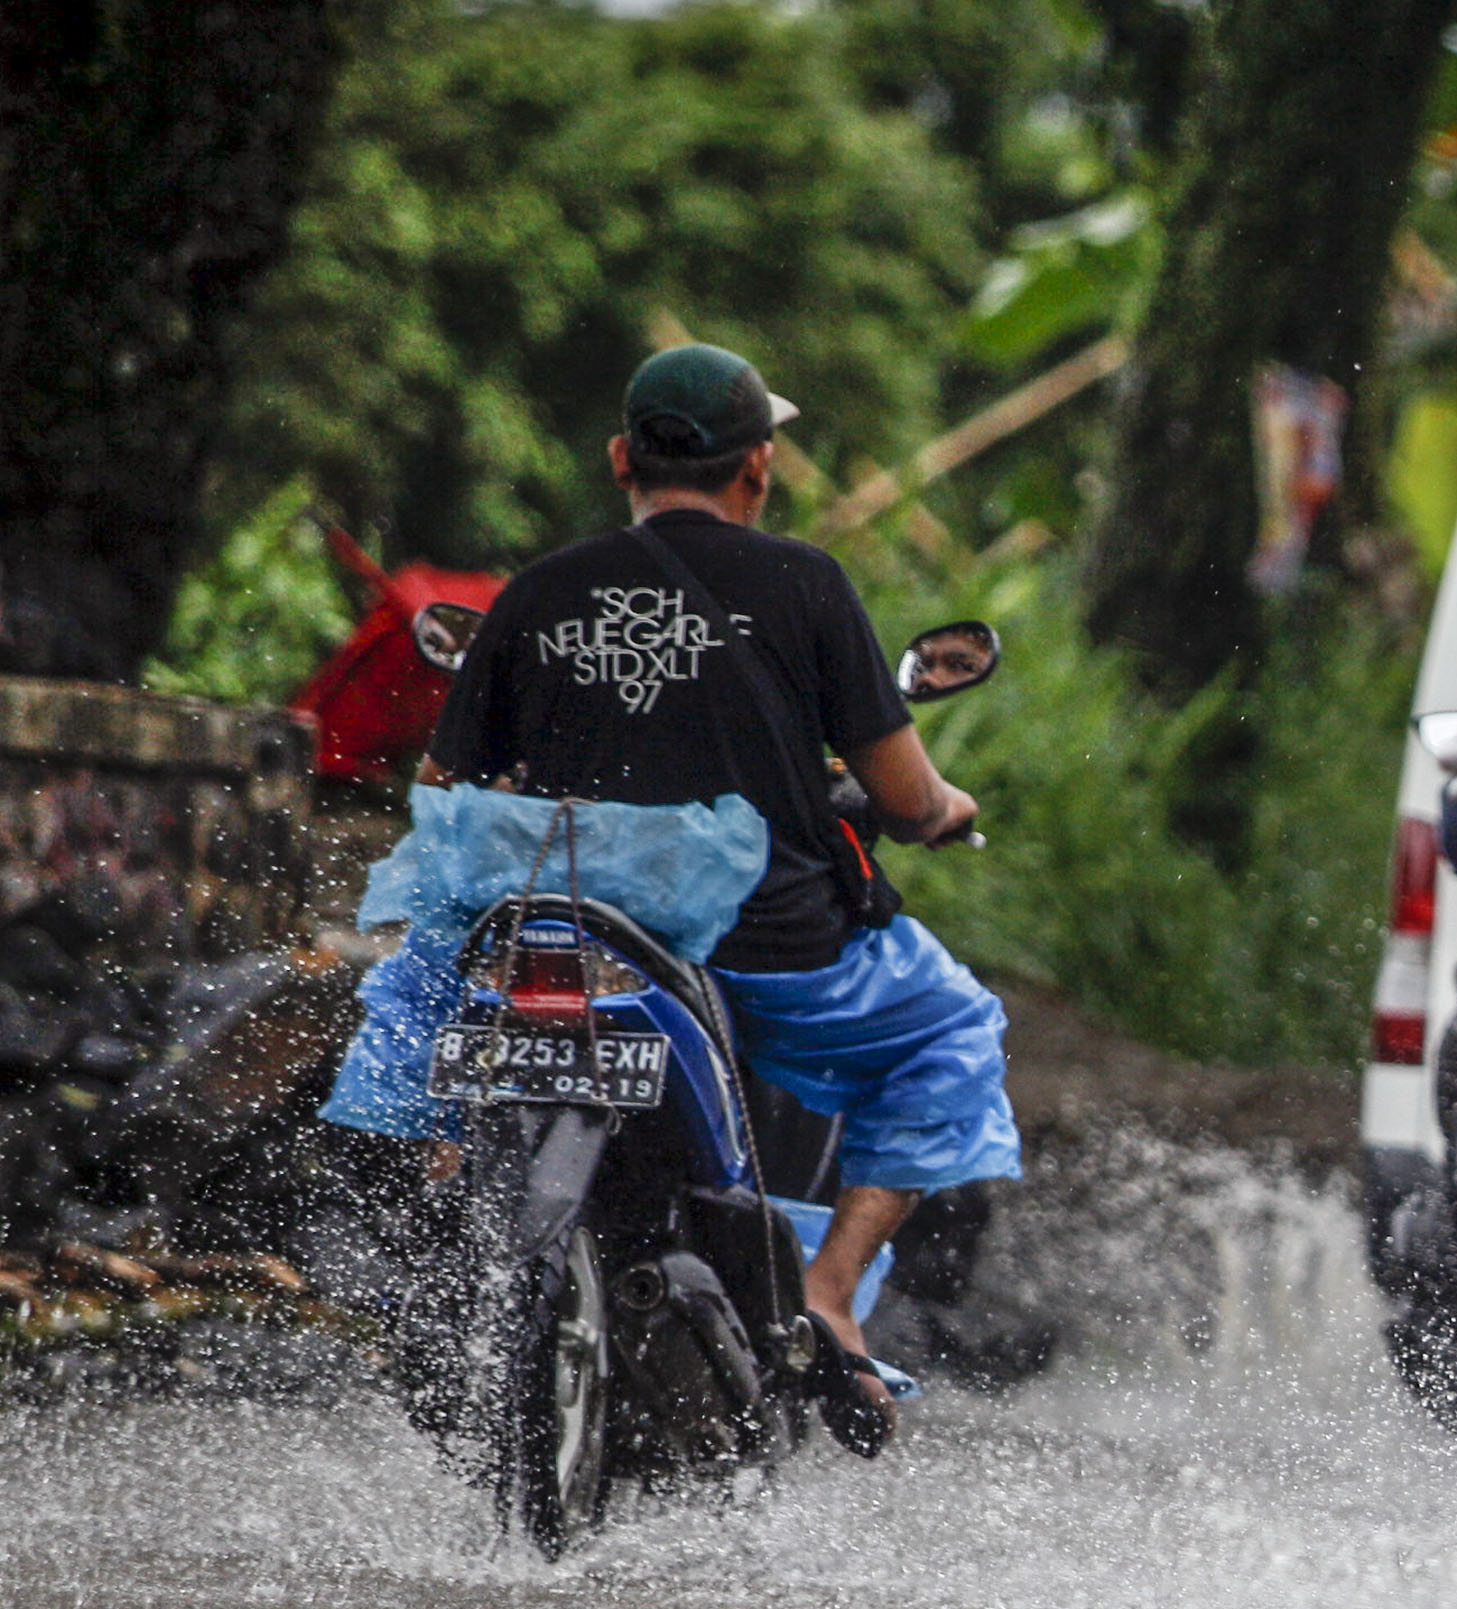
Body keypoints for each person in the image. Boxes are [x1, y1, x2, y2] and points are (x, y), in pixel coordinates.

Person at [322, 343, 1019, 1450]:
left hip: (558, 929)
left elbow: (446, 796)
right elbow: (901, 790)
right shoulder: (807, 586)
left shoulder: (538, 594)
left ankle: (443, 1241)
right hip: (768, 946)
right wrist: (942, 810)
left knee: (424, 1032)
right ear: (760, 468)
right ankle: (830, 1295)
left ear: (618, 461)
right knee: (954, 1033)